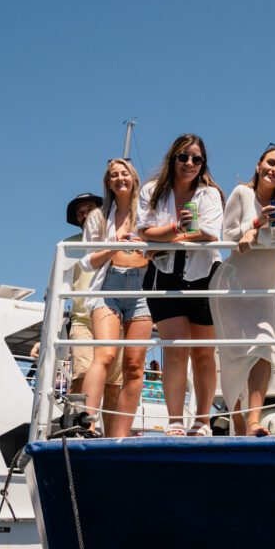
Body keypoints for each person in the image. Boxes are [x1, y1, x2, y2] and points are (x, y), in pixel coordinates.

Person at [210, 144, 275, 437]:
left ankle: (253, 419)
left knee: (264, 349)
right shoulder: (242, 193)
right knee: (234, 357)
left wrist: (256, 231)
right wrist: (256, 225)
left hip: (263, 290)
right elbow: (229, 235)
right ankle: (237, 420)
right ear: (259, 165)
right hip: (233, 285)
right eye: (271, 163)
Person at [138, 134, 224, 437]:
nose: (189, 163)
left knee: (203, 353)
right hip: (163, 275)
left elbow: (210, 234)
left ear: (203, 164)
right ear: (172, 158)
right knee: (174, 351)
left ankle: (202, 421)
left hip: (204, 274)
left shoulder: (209, 194)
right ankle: (175, 421)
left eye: (196, 159)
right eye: (183, 157)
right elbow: (144, 230)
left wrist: (166, 239)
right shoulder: (151, 191)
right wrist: (176, 228)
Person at [79, 160, 153, 437]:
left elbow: (164, 247)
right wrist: (115, 244)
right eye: (113, 175)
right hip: (108, 286)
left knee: (134, 364)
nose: (119, 178)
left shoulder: (149, 210)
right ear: (108, 182)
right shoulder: (99, 217)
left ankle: (120, 434)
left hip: (141, 288)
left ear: (133, 178)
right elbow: (88, 262)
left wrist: (147, 247)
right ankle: (86, 421)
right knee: (106, 354)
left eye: (124, 174)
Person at [65, 192, 123, 435]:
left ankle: (111, 437)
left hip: (113, 315)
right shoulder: (69, 245)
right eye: (80, 212)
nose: (85, 214)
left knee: (114, 383)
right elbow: (57, 290)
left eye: (90, 208)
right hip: (82, 320)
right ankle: (78, 428)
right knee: (80, 373)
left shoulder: (117, 239)